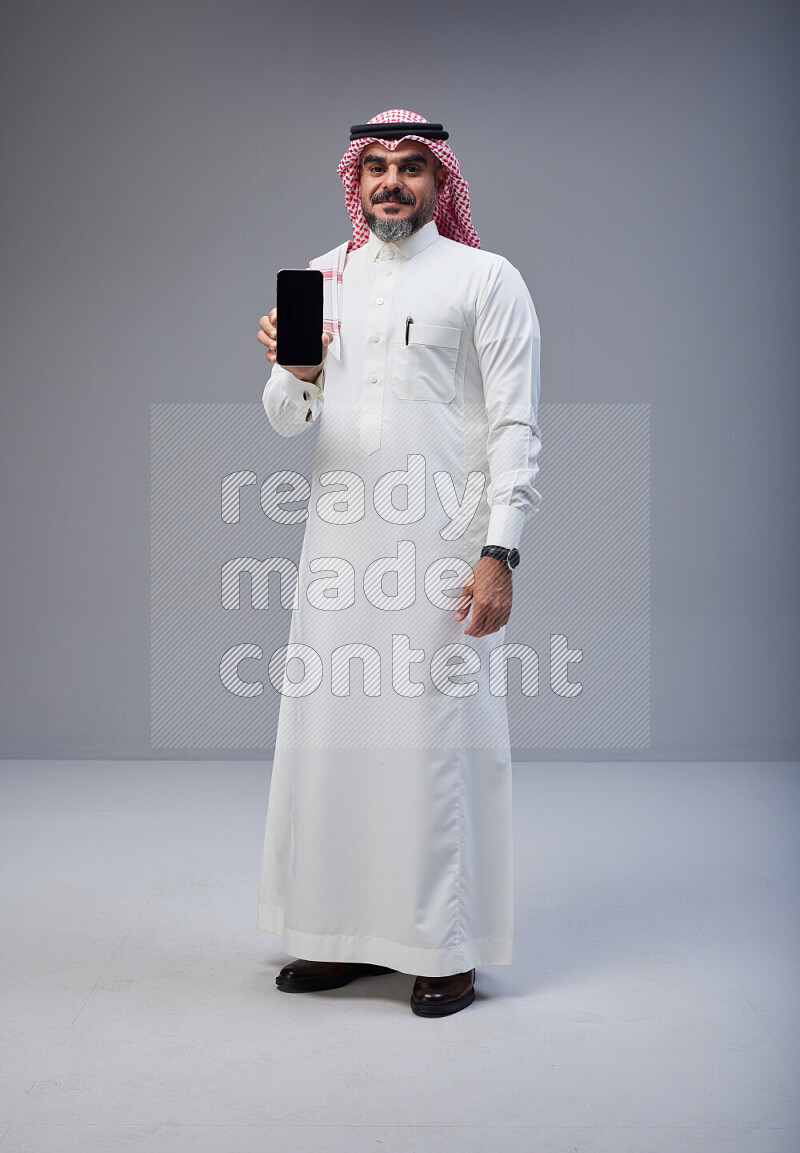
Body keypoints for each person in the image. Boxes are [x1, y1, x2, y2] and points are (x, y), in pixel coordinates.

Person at [255, 109, 542, 1017]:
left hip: (441, 552)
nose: (390, 183)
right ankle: (338, 937)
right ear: (356, 177)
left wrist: (500, 551)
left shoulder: (486, 278)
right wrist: (297, 371)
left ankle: (442, 947)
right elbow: (284, 419)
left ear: (438, 180)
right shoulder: (320, 275)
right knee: (333, 739)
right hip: (339, 551)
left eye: (410, 167)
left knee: (432, 745)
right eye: (375, 166)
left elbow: (515, 426)